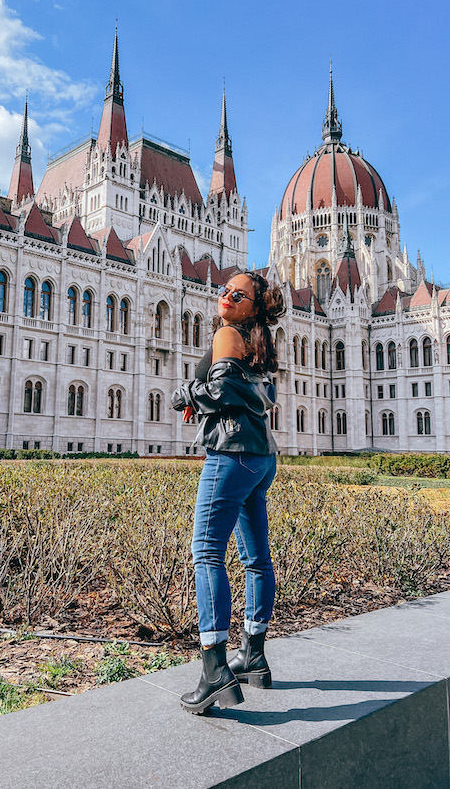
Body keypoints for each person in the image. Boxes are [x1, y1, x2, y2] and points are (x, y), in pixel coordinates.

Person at [172, 271, 285, 715]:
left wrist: (188, 393)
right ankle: (253, 655)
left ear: (252, 307)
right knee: (256, 558)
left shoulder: (227, 334)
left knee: (207, 553)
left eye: (237, 294)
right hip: (261, 457)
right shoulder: (257, 342)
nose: (226, 295)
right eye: (224, 289)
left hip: (233, 455)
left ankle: (215, 668)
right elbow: (260, 394)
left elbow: (222, 389)